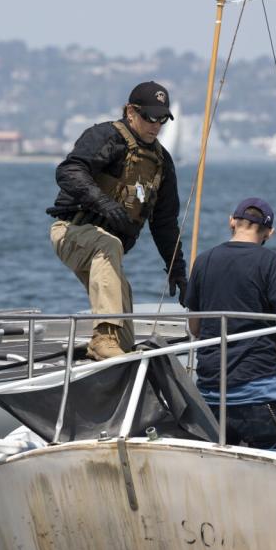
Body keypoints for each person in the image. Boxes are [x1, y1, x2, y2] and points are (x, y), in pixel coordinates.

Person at [46, 81, 187, 360]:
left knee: (124, 342)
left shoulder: (162, 162)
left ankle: (108, 355)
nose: (155, 125)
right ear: (130, 111)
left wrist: (178, 271)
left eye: (162, 119)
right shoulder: (105, 136)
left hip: (108, 253)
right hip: (72, 232)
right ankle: (103, 337)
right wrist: (103, 203)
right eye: (149, 116)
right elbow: (69, 170)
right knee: (107, 246)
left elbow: (165, 223)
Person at [184, 198, 276, 450]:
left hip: (211, 395)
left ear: (232, 221)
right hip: (258, 397)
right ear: (269, 233)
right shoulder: (269, 261)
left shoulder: (203, 260)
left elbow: (195, 328)